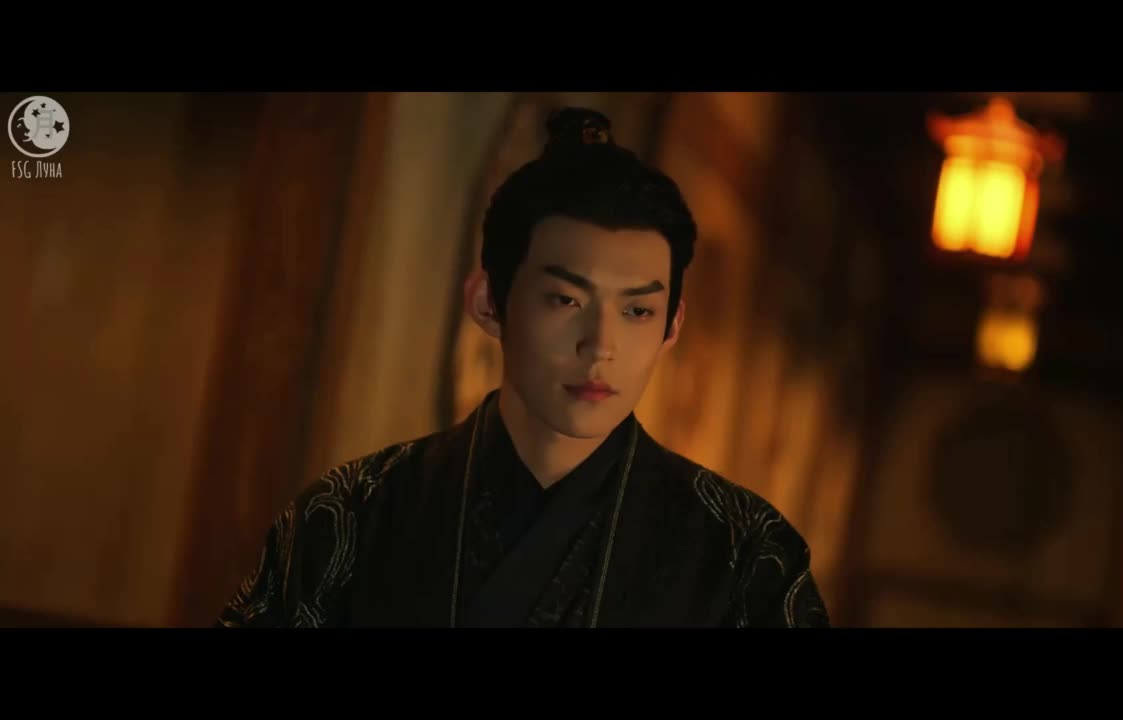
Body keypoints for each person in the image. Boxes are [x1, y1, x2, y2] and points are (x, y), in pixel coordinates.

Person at [216, 107, 830, 628]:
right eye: (565, 300)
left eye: (638, 311)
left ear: (672, 326)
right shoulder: (350, 515)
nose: (601, 346)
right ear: (489, 302)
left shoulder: (747, 555)